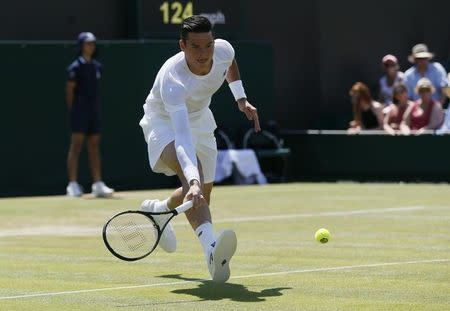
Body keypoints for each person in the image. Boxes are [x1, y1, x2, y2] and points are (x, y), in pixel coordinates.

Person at [138, 16, 260, 282]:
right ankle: (212, 252)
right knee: (195, 175)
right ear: (182, 45)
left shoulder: (224, 50)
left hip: (201, 119)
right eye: (195, 47)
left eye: (208, 45)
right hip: (165, 122)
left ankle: (159, 210)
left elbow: (229, 64)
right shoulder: (174, 79)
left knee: (203, 192)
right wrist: (192, 178)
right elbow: (182, 138)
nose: (204, 53)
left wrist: (241, 99)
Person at [65, 32, 114, 197]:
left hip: (94, 111)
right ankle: (72, 184)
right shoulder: (75, 67)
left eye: (93, 43)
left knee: (94, 146)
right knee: (76, 146)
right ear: (81, 46)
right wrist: (76, 110)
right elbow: (70, 92)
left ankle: (98, 184)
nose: (91, 46)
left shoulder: (97, 66)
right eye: (88, 43)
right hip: (80, 112)